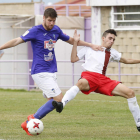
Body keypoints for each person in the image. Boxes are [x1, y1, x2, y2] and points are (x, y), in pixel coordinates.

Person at [0, 8, 103, 136]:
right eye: (49, 20)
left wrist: (90, 45)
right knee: (59, 100)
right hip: (40, 71)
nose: (51, 23)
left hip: (51, 71)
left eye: (53, 21)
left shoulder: (56, 30)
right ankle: (30, 120)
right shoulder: (35, 31)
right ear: (43, 18)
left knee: (54, 102)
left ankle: (28, 121)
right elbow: (17, 40)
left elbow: (71, 40)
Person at [52, 29, 140, 132]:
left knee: (130, 93)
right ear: (103, 38)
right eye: (110, 38)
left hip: (103, 80)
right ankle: (62, 104)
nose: (111, 41)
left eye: (113, 39)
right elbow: (73, 59)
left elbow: (126, 60)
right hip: (89, 77)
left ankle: (139, 123)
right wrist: (75, 42)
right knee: (80, 83)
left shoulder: (112, 52)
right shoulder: (89, 48)